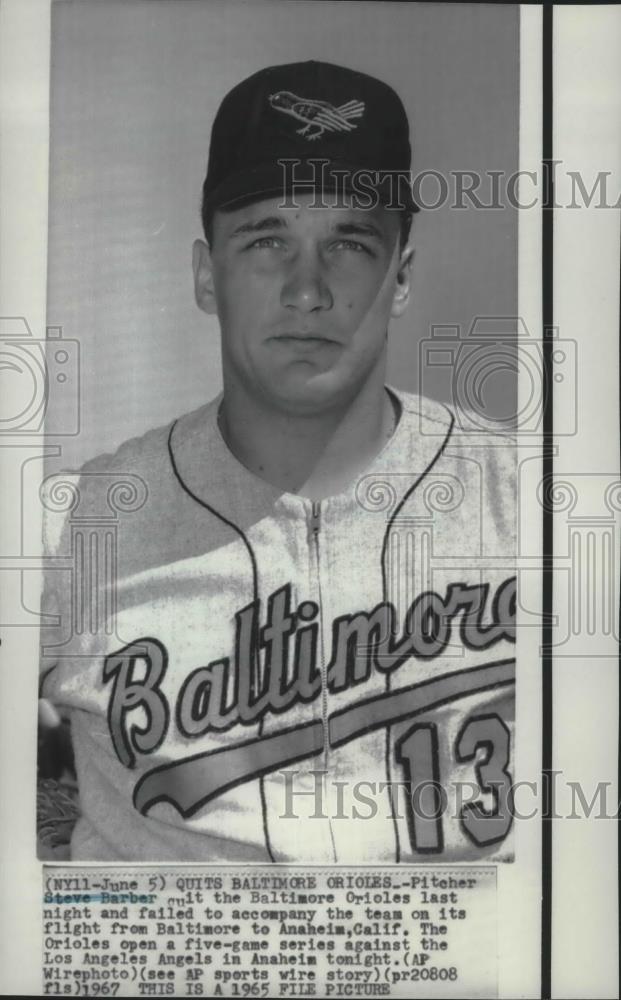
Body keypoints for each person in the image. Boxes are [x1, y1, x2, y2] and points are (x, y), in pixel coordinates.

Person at [39, 60, 516, 862]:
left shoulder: (533, 500)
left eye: (350, 243)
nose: (307, 290)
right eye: (266, 241)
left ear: (400, 275)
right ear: (205, 274)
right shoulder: (78, 522)